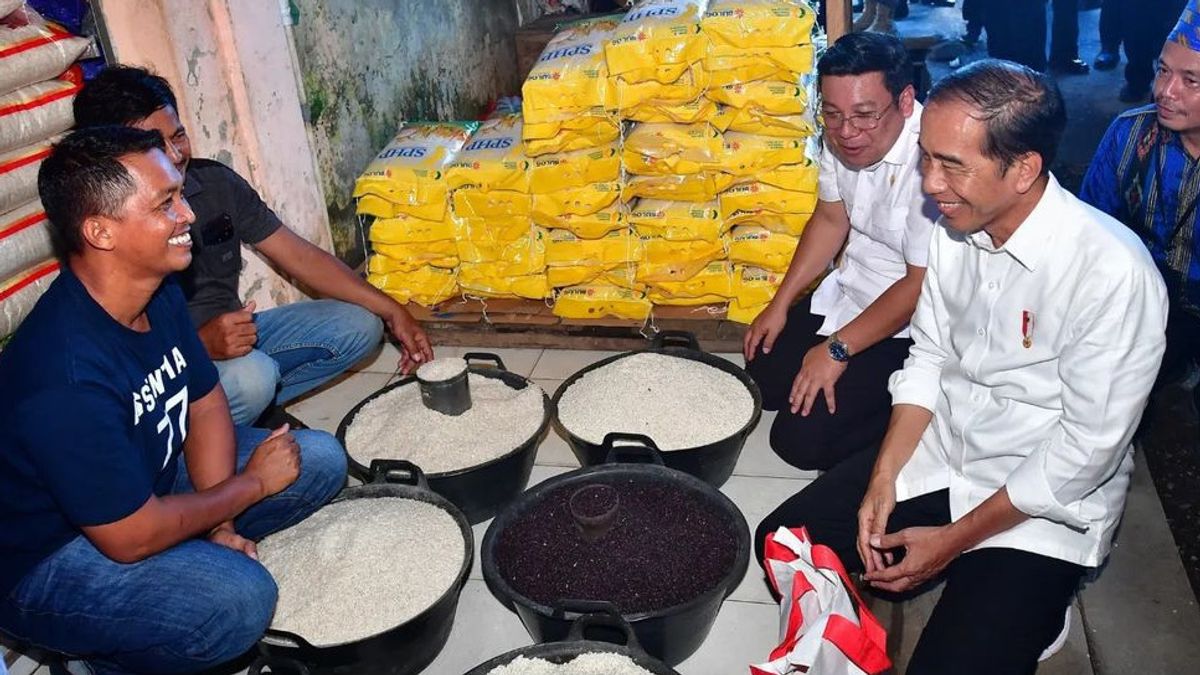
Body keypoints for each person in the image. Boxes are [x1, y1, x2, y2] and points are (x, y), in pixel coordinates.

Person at [756, 60, 1167, 674]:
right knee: (784, 541)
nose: (929, 183)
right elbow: (928, 358)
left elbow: (1083, 455)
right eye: (925, 157)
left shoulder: (1112, 275)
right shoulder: (956, 231)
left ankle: (1024, 596)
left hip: (1035, 501)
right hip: (945, 454)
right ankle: (937, 569)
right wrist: (884, 477)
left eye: (951, 164)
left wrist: (952, 540)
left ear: (1024, 168)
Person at [0, 127, 348, 673]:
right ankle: (109, 658)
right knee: (239, 599)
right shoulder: (64, 379)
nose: (186, 214)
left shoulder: (154, 291)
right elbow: (130, 537)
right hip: (49, 558)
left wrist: (221, 522)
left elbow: (205, 399)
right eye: (166, 203)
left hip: (142, 489)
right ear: (101, 231)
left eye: (179, 195)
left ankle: (193, 553)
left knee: (318, 458)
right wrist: (250, 485)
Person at [72, 66, 435, 426]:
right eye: (153, 144)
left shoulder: (213, 183)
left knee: (359, 323)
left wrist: (392, 310)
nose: (175, 154)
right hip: (166, 374)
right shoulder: (109, 229)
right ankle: (198, 435)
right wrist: (199, 347)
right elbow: (123, 364)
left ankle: (245, 410)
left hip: (237, 340)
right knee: (254, 380)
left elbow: (297, 254)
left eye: (178, 135)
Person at [743, 32, 938, 472]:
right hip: (853, 291)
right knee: (763, 371)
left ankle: (921, 415)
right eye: (832, 114)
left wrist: (836, 350)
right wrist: (780, 304)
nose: (847, 132)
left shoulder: (932, 162)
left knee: (797, 442)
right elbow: (831, 220)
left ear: (905, 101)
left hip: (913, 324)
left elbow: (919, 285)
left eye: (865, 115)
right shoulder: (841, 136)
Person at [1081, 0, 1200, 399]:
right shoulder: (1129, 135)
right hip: (1145, 302)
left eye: (1191, 80)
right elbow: (1090, 238)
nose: (1166, 91)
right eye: (1163, 70)